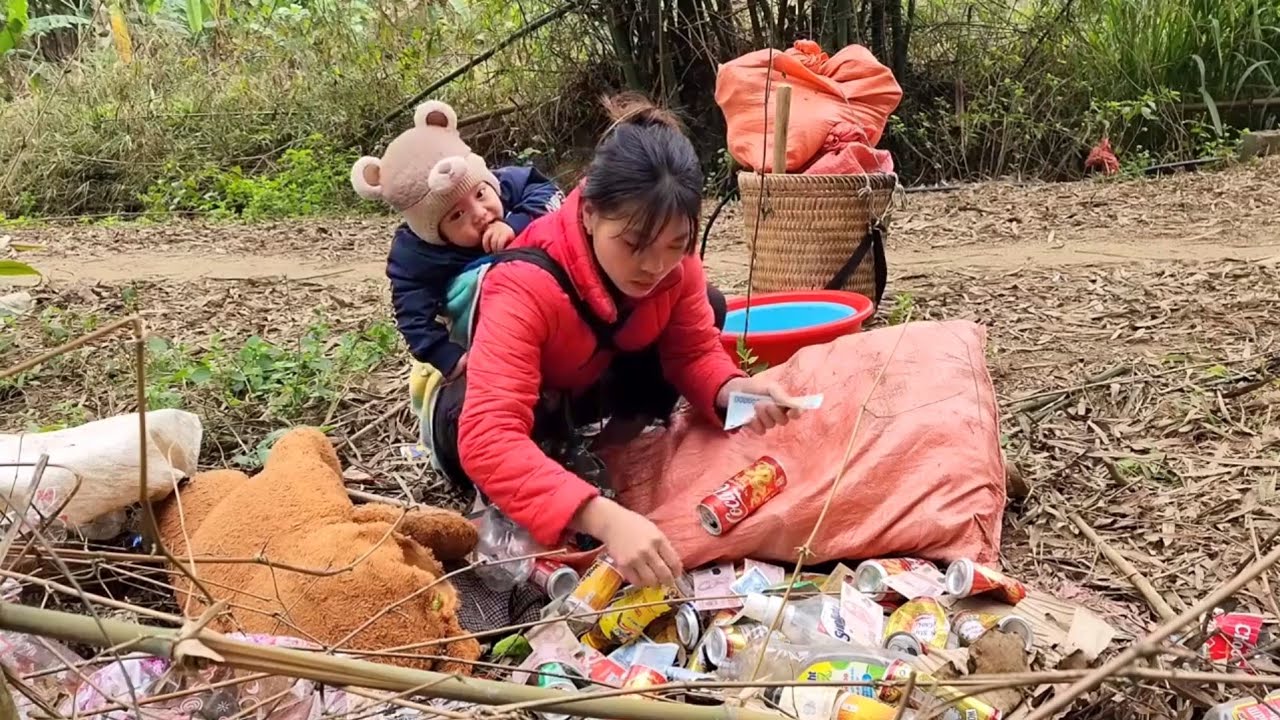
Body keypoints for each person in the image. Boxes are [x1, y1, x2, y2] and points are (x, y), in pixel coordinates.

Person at [426, 94, 804, 588]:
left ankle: (597, 452)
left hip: (589, 388)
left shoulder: (674, 264)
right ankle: (556, 473)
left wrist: (738, 393)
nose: (655, 265)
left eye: (675, 244)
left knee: (709, 304)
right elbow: (488, 436)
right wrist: (605, 519)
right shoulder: (523, 284)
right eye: (633, 244)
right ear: (589, 214)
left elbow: (693, 352)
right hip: (513, 409)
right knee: (487, 437)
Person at [350, 99, 564, 381]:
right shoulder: (416, 254)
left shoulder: (510, 183)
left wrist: (516, 224)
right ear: (433, 232)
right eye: (457, 215)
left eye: (480, 194)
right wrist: (449, 357)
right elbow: (412, 314)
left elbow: (551, 193)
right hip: (489, 331)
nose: (480, 214)